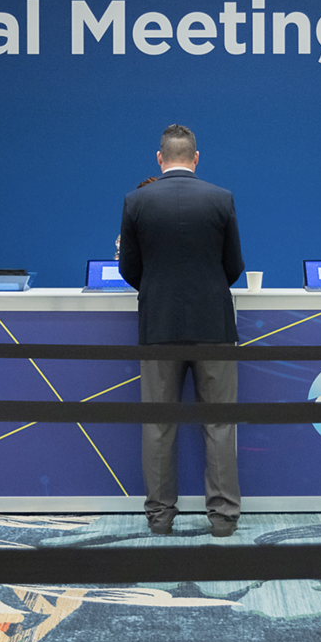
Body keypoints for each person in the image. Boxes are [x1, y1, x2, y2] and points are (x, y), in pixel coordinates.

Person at [119, 124, 245, 537]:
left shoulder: (136, 201)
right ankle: (224, 519)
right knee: (220, 424)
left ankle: (160, 517)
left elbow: (129, 269)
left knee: (158, 425)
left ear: (160, 158)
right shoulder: (221, 198)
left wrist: (158, 291)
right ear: (195, 157)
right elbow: (234, 267)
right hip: (214, 325)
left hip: (158, 325)